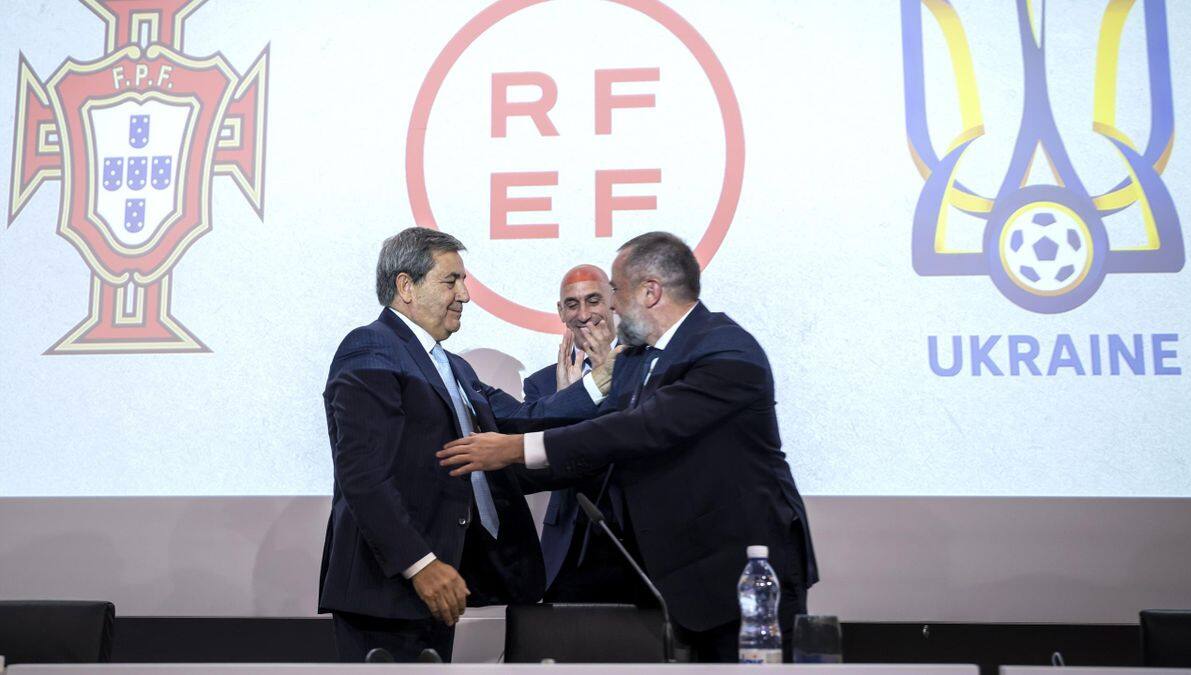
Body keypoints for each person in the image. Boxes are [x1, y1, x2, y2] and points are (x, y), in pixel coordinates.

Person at [438, 232, 819, 662]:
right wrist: (491, 473)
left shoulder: (725, 350)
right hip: (685, 577)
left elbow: (641, 429)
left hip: (743, 571)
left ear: (650, 291)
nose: (613, 306)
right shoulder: (638, 360)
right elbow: (599, 446)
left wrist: (518, 448)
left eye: (616, 291)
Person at [318, 227, 615, 662]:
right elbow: (362, 473)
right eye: (451, 281)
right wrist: (420, 563)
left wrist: (599, 382)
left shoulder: (452, 366)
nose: (465, 295)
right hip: (389, 590)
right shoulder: (370, 348)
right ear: (406, 286)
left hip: (439, 587)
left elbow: (519, 420)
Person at [520, 265, 652, 606]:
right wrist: (568, 402)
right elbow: (539, 468)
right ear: (560, 312)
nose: (583, 315)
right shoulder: (543, 385)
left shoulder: (649, 366)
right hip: (570, 545)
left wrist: (614, 379)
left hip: (639, 539)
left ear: (613, 302)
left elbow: (642, 442)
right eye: (572, 304)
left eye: (593, 300)